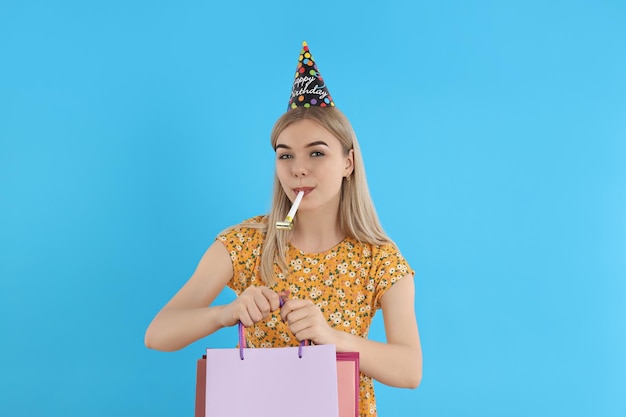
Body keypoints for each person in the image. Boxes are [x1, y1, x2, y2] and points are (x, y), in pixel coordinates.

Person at [145, 41, 422, 417]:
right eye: (285, 154)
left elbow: (410, 370)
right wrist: (225, 314)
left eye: (317, 152)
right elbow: (158, 334)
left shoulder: (378, 258)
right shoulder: (245, 244)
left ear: (348, 163)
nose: (298, 168)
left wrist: (331, 338)